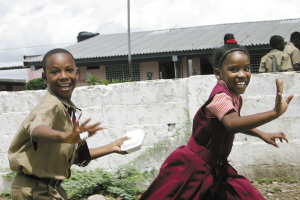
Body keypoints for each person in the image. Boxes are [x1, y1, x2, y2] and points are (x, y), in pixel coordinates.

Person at [140, 39, 293, 199]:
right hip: (193, 168)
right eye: (234, 69)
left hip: (217, 169)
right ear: (218, 73)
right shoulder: (220, 98)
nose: (242, 74)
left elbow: (234, 121)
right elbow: (233, 124)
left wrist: (262, 134)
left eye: (246, 68)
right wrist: (274, 113)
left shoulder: (234, 96)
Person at [8, 48, 129, 200]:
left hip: (50, 189)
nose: (63, 76)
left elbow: (76, 157)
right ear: (45, 77)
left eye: (69, 70)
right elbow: (37, 130)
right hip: (34, 191)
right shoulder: (50, 104)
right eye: (55, 72)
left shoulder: (64, 107)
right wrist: (65, 136)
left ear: (77, 74)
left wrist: (112, 147)